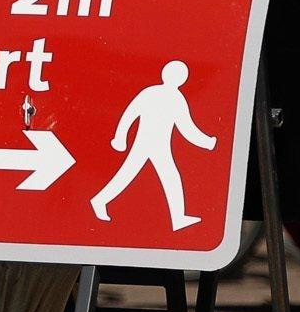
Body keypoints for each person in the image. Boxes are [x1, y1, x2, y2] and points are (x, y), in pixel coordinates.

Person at [89, 59, 217, 230]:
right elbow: (185, 128)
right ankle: (99, 201)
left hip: (157, 145)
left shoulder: (158, 94)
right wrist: (207, 142)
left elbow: (185, 127)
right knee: (136, 175)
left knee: (160, 176)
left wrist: (121, 136)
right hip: (148, 143)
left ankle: (178, 218)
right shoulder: (167, 97)